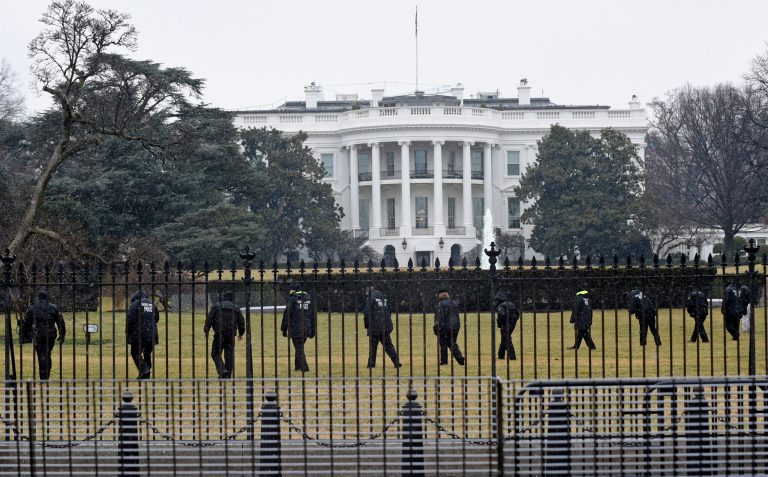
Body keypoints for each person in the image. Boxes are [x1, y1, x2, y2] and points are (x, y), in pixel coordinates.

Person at [24, 291, 66, 380]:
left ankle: (43, 376)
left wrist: (26, 335)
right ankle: (46, 375)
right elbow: (61, 322)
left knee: (41, 355)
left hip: (39, 334)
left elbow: (27, 323)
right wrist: (62, 335)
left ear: (38, 298)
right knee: (47, 353)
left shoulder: (33, 308)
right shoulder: (53, 307)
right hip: (51, 334)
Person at [204, 290, 245, 379]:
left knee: (215, 353)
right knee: (229, 355)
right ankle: (228, 374)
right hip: (230, 335)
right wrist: (241, 333)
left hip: (219, 334)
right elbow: (241, 322)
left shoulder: (216, 306)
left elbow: (209, 319)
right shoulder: (236, 308)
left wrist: (206, 330)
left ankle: (222, 370)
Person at [363, 286, 401, 369]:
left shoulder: (370, 298)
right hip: (385, 326)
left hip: (375, 326)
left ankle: (371, 364)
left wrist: (367, 325)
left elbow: (366, 312)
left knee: (373, 347)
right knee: (388, 345)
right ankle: (396, 362)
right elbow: (389, 310)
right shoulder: (383, 296)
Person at [281, 283, 316, 373]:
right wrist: (313, 330)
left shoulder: (292, 298)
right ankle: (297, 366)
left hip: (295, 328)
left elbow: (287, 314)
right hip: (307, 327)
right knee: (299, 346)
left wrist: (284, 328)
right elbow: (313, 315)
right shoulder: (308, 298)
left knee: (299, 348)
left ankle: (305, 368)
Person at [126, 290, 160, 379]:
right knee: (147, 353)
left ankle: (145, 370)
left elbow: (130, 320)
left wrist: (129, 332)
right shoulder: (152, 304)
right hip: (152, 334)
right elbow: (156, 318)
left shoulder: (134, 305)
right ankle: (145, 373)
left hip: (138, 334)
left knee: (135, 353)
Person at [433, 290, 465, 366]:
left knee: (443, 343)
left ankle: (444, 361)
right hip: (455, 326)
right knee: (452, 343)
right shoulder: (454, 303)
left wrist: (436, 327)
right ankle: (460, 358)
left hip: (445, 327)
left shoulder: (441, 304)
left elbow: (440, 317)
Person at [495, 291, 519, 360]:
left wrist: (500, 323)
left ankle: (512, 356)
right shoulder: (511, 304)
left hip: (505, 325)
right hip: (512, 324)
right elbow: (517, 314)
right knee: (504, 338)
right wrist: (513, 321)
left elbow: (501, 315)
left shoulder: (501, 306)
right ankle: (501, 355)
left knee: (507, 340)